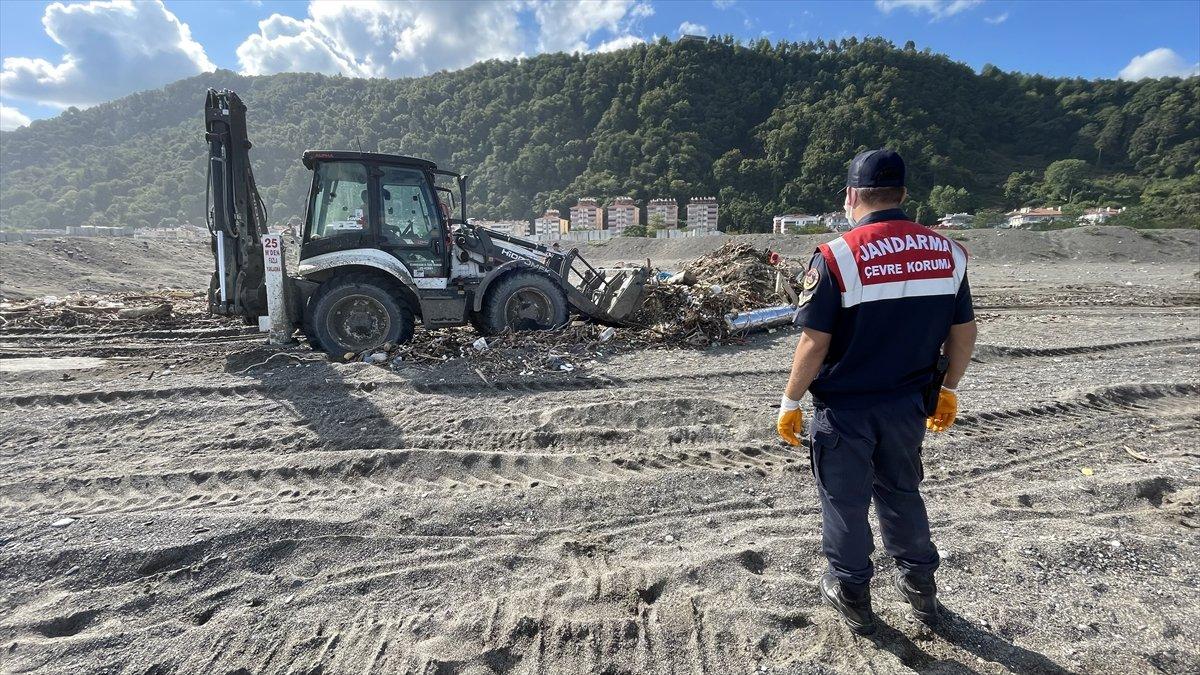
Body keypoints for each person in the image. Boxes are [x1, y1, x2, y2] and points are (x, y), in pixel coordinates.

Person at [776, 148, 977, 635]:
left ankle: (851, 593)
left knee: (845, 501)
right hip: (908, 406)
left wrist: (790, 401)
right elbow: (964, 333)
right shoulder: (948, 253)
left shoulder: (837, 256)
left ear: (851, 196)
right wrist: (949, 389)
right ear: (903, 194)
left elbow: (815, 342)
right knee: (902, 491)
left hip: (846, 410)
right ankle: (921, 587)